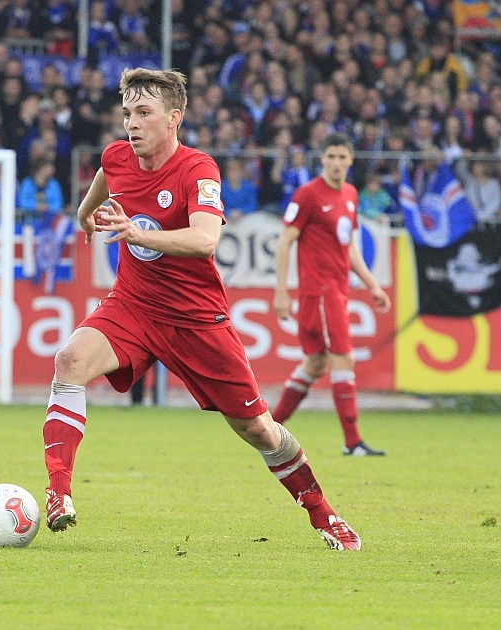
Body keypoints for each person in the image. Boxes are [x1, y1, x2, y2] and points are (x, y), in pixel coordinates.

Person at [42, 67, 362, 551]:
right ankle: (59, 492)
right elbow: (105, 179)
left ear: (174, 117)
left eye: (143, 113)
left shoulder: (199, 169)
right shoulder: (117, 156)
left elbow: (205, 239)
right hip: (134, 304)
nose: (132, 123)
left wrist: (137, 233)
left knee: (258, 428)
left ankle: (323, 514)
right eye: (127, 113)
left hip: (196, 319)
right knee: (69, 360)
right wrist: (86, 216)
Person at [271, 133, 392, 456]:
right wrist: (281, 291)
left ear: (351, 160)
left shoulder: (350, 194)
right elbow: (285, 241)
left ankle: (268, 429)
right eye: (331, 157)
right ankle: (352, 442)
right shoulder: (308, 194)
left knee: (316, 364)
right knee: (343, 358)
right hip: (320, 291)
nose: (336, 163)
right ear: (322, 159)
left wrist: (372, 284)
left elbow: (348, 246)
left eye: (342, 157)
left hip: (338, 290)